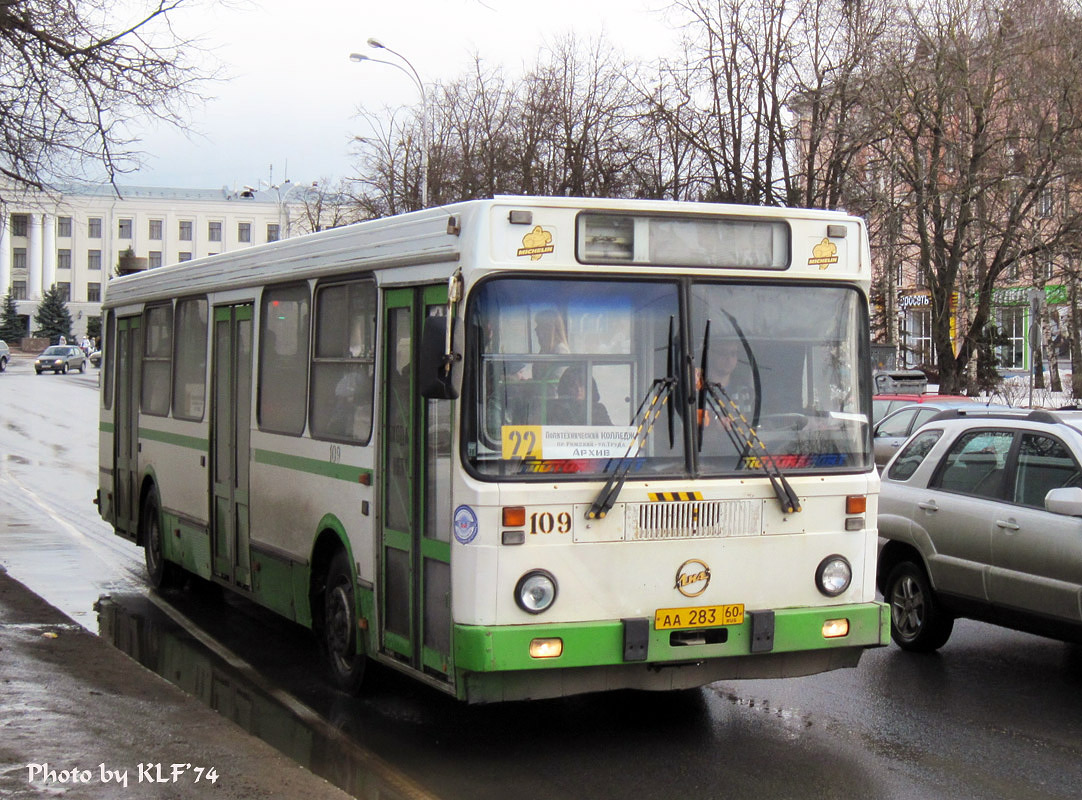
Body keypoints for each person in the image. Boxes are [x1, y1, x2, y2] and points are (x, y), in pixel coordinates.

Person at [531, 309, 569, 384]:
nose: (535, 329)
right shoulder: (544, 351)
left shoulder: (561, 352)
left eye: (539, 326)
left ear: (549, 328)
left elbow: (554, 383)